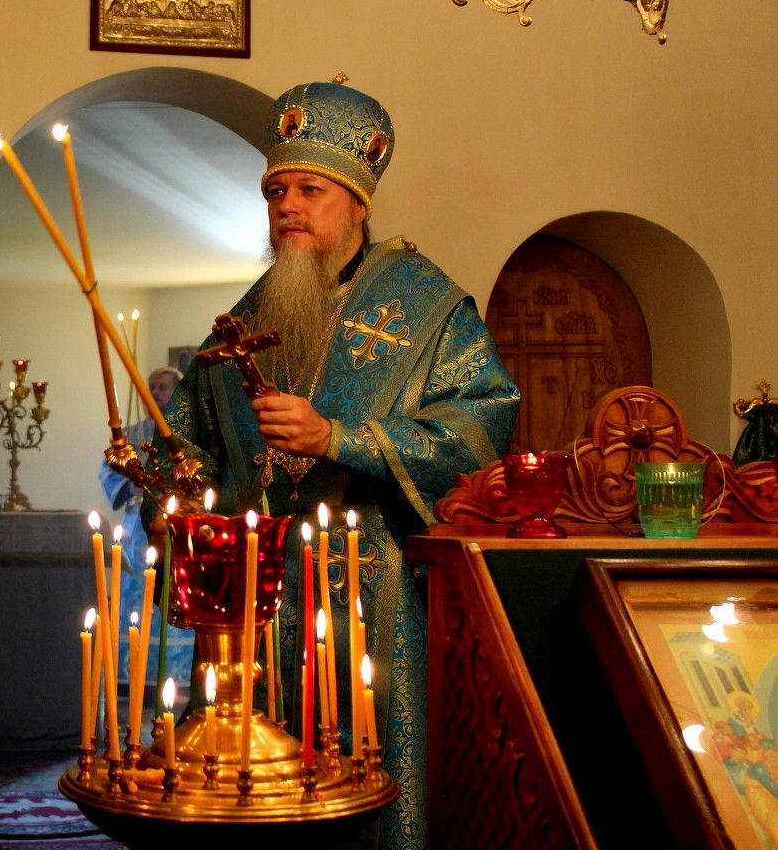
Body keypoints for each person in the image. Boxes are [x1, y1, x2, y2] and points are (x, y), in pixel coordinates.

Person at [143, 75, 519, 849]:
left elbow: (482, 430)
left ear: (357, 205)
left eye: (309, 190)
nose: (287, 206)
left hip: (373, 597)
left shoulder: (427, 306)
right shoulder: (241, 324)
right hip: (255, 610)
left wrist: (341, 439)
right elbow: (188, 450)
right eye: (276, 191)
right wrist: (173, 498)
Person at [98, 366, 194, 704]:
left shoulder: (188, 435)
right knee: (134, 596)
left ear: (177, 391)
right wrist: (131, 485)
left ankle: (179, 678)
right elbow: (108, 469)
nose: (155, 392)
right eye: (151, 386)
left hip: (176, 530)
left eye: (163, 387)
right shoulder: (133, 434)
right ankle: (131, 678)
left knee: (174, 594)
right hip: (137, 530)